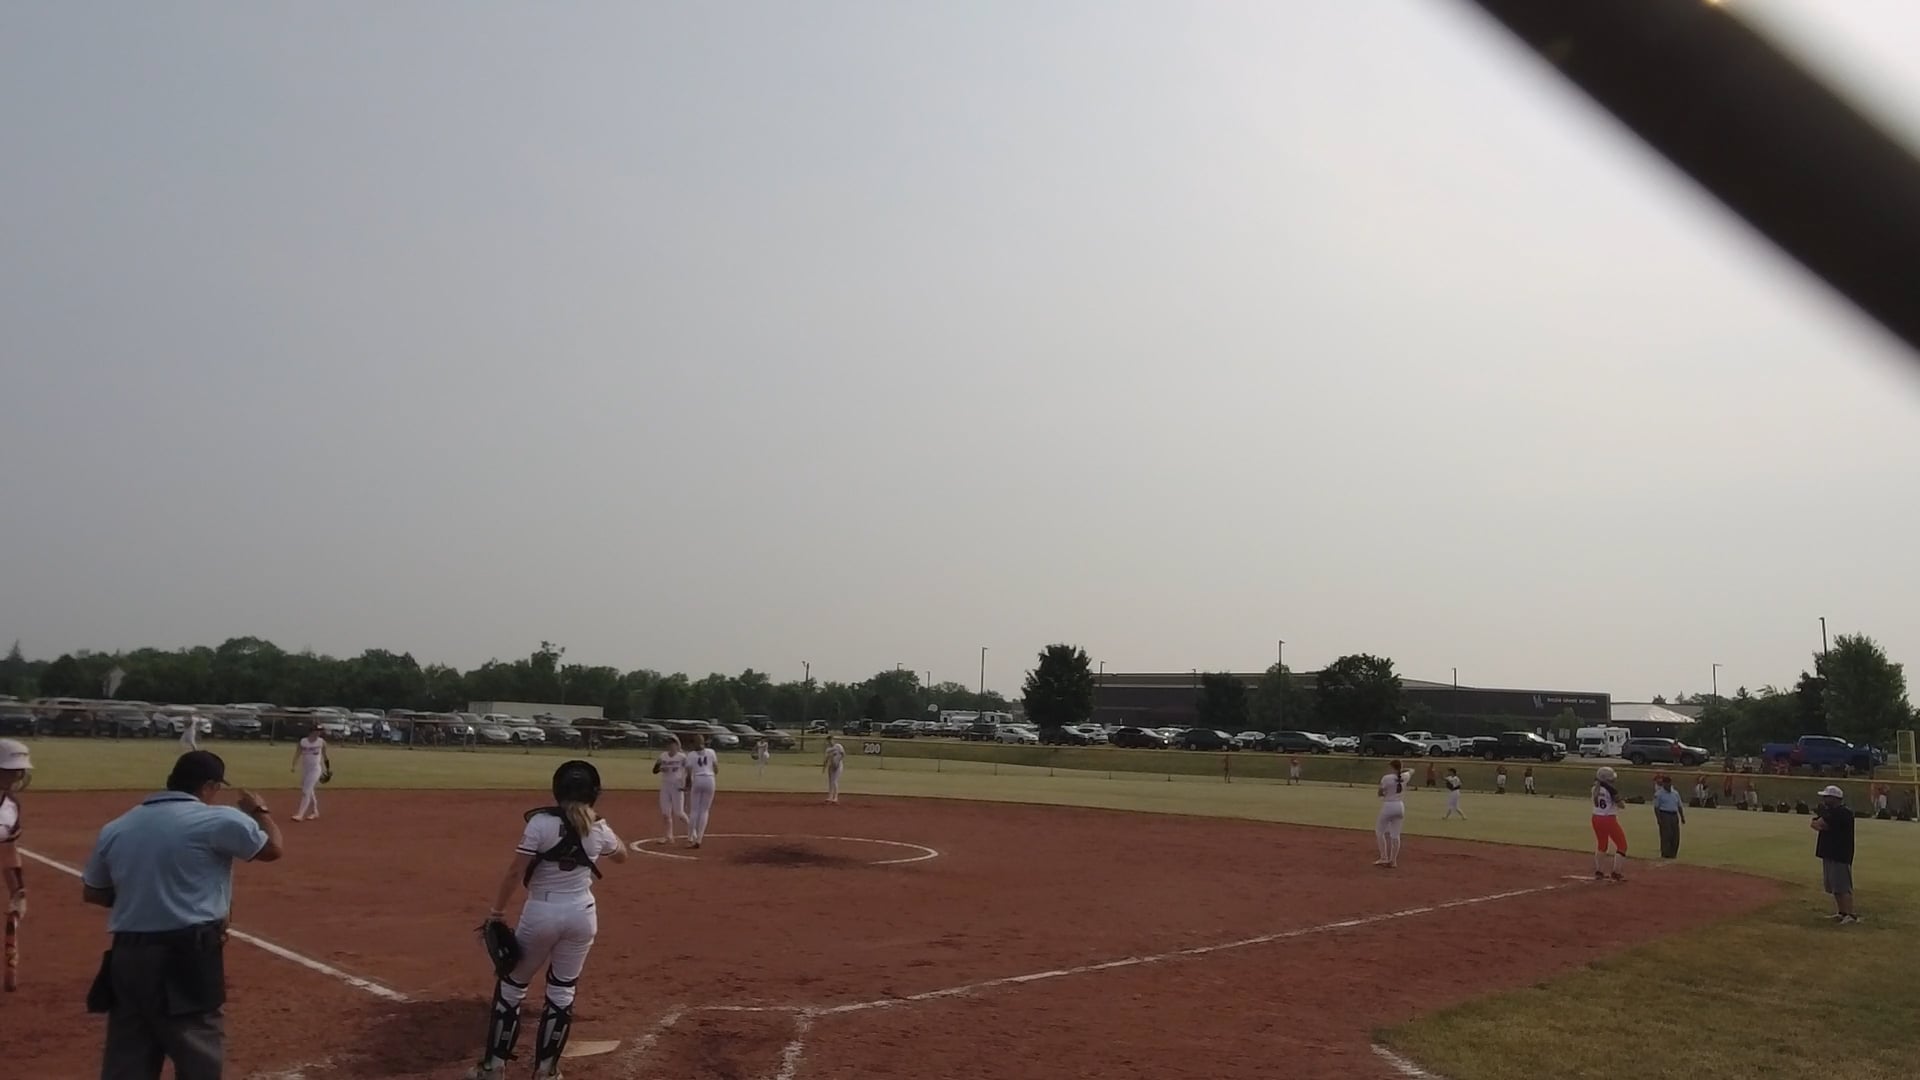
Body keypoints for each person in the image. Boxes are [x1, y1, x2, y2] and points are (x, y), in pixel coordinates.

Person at [82, 751, 285, 1080]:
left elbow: (93, 892)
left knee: (127, 1059)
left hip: (126, 958)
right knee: (198, 1057)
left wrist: (146, 896)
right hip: (186, 957)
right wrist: (260, 811)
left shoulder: (117, 827)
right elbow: (273, 849)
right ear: (208, 786)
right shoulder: (218, 819)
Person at [467, 761, 628, 1080]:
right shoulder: (597, 827)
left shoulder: (540, 823)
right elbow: (622, 855)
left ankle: (494, 1068)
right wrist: (599, 825)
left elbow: (515, 872)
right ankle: (546, 1072)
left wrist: (497, 912)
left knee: (512, 987)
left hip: (542, 912)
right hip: (582, 915)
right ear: (593, 793)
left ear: (557, 789)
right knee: (562, 991)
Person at [1, 739, 29, 988]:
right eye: (10, 770)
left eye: (18, 771)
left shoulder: (10, 806)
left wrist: (17, 891)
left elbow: (8, 849)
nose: (16, 776)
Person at [1811, 785, 1858, 923]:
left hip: (1839, 853)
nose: (1824, 799)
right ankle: (1842, 912)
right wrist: (1820, 822)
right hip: (1829, 852)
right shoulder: (1831, 812)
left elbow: (1821, 825)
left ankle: (1850, 914)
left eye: (1827, 797)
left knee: (1843, 886)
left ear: (1835, 798)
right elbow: (1814, 824)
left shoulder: (1843, 812)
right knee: (1834, 886)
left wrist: (1821, 822)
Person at [1590, 766, 1628, 881]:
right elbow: (1621, 805)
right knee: (1622, 845)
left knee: (1602, 845)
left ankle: (1599, 871)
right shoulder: (1611, 790)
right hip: (1608, 819)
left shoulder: (1595, 788)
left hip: (1596, 817)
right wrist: (1621, 800)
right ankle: (1616, 872)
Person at [650, 736, 690, 843]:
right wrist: (660, 768)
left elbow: (689, 770)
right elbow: (654, 770)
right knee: (665, 813)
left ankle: (692, 832)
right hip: (665, 786)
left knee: (679, 813)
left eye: (672, 744)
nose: (670, 746)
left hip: (677, 787)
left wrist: (686, 784)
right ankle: (668, 836)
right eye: (668, 744)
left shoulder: (682, 757)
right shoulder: (663, 756)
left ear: (677, 745)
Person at [1374, 759, 1411, 868]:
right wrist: (1402, 770)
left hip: (1388, 805)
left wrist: (1383, 792)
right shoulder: (1405, 776)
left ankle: (1384, 857)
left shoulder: (1387, 778)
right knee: (1395, 835)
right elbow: (1411, 770)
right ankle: (1393, 861)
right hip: (1400, 806)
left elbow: (1380, 793)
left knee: (1379, 832)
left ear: (1392, 767)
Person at [684, 734, 718, 848]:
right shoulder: (711, 752)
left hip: (698, 779)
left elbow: (688, 775)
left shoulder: (691, 755)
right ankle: (699, 838)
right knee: (704, 810)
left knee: (694, 810)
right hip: (710, 779)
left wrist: (687, 786)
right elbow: (716, 769)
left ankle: (690, 837)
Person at [290, 729, 330, 822]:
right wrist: (294, 765)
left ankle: (300, 814)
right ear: (311, 731)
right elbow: (297, 753)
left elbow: (325, 756)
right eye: (317, 730)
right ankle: (315, 812)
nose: (319, 732)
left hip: (315, 769)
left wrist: (328, 769)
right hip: (305, 769)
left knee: (306, 791)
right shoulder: (303, 741)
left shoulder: (321, 742)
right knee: (309, 790)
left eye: (320, 731)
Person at [1652, 775, 1686, 859]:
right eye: (1666, 783)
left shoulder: (1675, 793)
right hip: (1665, 814)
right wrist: (1659, 819)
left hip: (1674, 815)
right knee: (1666, 835)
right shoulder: (1659, 794)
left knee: (1675, 835)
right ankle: (1665, 853)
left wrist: (1682, 817)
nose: (1668, 785)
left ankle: (1673, 853)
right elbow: (1656, 807)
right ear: (1663, 783)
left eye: (1669, 783)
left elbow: (1679, 805)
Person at [823, 735, 846, 804]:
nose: (830, 742)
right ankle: (830, 797)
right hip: (831, 766)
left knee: (835, 781)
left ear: (833, 740)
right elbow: (826, 759)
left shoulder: (838, 746)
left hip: (838, 766)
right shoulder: (828, 749)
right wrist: (824, 767)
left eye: (831, 740)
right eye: (828, 741)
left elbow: (843, 754)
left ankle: (835, 798)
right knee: (830, 782)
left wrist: (838, 761)